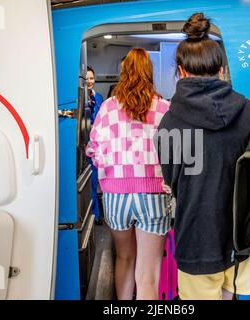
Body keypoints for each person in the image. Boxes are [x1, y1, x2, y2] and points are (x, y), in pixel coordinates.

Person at [155, 13, 250, 300]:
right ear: (222, 68)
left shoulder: (169, 124)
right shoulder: (249, 112)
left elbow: (172, 183)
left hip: (197, 236)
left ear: (181, 70)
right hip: (241, 234)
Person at [86, 48, 171, 300]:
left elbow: (93, 148)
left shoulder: (109, 107)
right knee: (148, 275)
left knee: (124, 257)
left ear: (124, 73)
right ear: (149, 73)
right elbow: (173, 154)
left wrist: (111, 169)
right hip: (154, 195)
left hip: (115, 196)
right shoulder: (164, 108)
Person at [86, 66, 104, 224]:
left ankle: (97, 214)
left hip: (97, 145)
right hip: (84, 144)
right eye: (86, 78)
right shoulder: (79, 99)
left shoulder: (99, 98)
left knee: (96, 180)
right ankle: (94, 216)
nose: (89, 81)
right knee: (90, 183)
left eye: (91, 78)